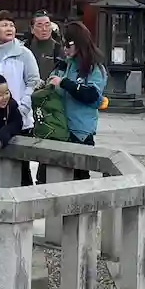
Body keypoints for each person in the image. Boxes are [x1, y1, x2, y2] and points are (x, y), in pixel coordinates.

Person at [41, 19, 108, 181]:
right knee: (46, 178)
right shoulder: (65, 64)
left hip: (80, 132)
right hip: (58, 128)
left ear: (78, 43)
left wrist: (64, 83)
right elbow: (53, 82)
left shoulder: (93, 68)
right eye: (63, 44)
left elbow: (92, 96)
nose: (64, 49)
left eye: (68, 44)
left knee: (78, 181)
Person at [25, 12, 61, 81]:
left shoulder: (58, 48)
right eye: (39, 26)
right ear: (32, 29)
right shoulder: (25, 47)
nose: (44, 29)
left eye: (47, 25)